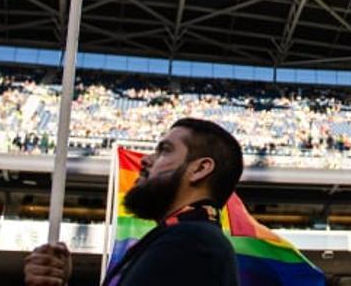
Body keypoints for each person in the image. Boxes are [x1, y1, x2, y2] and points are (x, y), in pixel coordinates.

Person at [24, 118, 243, 285]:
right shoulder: (188, 237)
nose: (145, 160)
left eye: (164, 151)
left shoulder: (190, 241)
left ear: (199, 169)